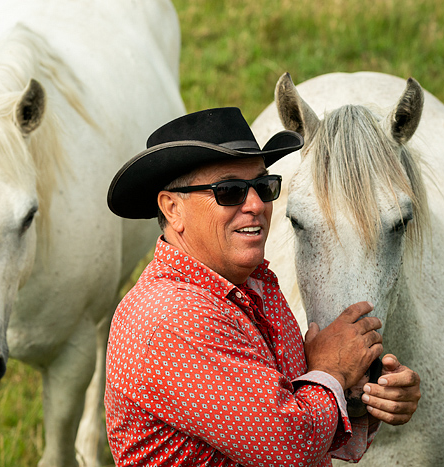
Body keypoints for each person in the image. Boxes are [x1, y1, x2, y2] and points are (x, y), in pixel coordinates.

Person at [105, 107, 421, 466]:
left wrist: (367, 397)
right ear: (172, 209)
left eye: (263, 186)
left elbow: (295, 410)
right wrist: (332, 371)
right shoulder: (171, 316)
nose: (256, 204)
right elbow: (288, 447)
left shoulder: (256, 284)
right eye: (229, 191)